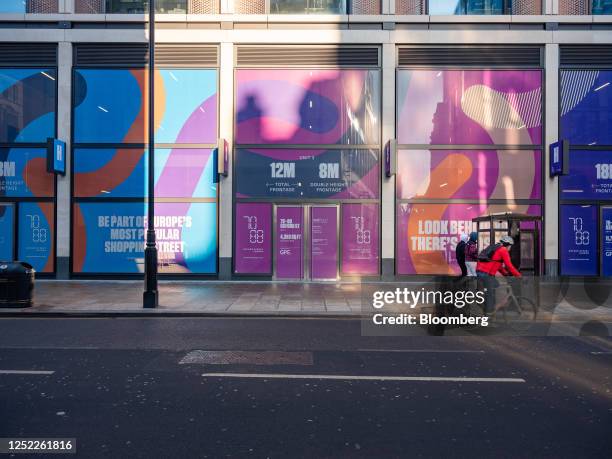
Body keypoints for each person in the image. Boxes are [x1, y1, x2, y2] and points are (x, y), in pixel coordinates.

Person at [476, 235, 522, 314]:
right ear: (508, 244)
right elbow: (509, 265)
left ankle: (488, 306)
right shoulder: (503, 250)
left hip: (481, 271)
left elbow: (498, 265)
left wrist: (506, 274)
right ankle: (488, 314)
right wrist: (519, 276)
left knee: (495, 285)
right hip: (486, 273)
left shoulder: (496, 247)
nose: (510, 248)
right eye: (510, 246)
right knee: (490, 293)